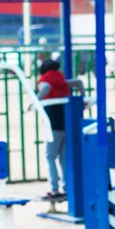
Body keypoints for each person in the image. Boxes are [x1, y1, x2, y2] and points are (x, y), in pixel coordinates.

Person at [37, 59, 85, 199]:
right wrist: (83, 97)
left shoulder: (44, 80)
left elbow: (45, 88)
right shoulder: (62, 80)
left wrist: (37, 99)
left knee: (50, 156)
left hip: (52, 124)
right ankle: (67, 187)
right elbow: (78, 82)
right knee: (63, 157)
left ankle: (54, 188)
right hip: (66, 124)